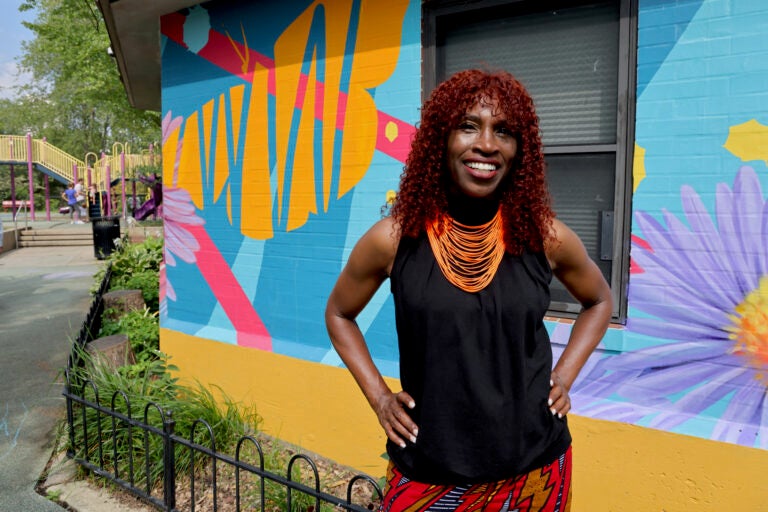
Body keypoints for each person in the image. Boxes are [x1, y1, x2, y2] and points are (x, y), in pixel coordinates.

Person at [325, 69, 612, 511]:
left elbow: (599, 301)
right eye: (468, 126)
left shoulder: (544, 237)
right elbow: (339, 314)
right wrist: (380, 398)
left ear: (520, 152)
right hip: (431, 473)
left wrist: (566, 375)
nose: (486, 144)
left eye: (504, 132)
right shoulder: (394, 239)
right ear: (441, 139)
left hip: (536, 470)